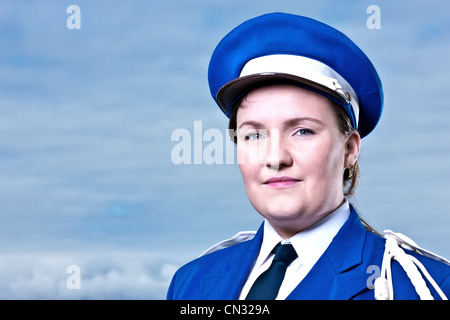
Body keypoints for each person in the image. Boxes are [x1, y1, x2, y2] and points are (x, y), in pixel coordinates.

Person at [167, 12, 450, 300]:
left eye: (302, 131)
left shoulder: (422, 287)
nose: (275, 157)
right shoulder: (191, 283)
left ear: (350, 149)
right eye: (254, 135)